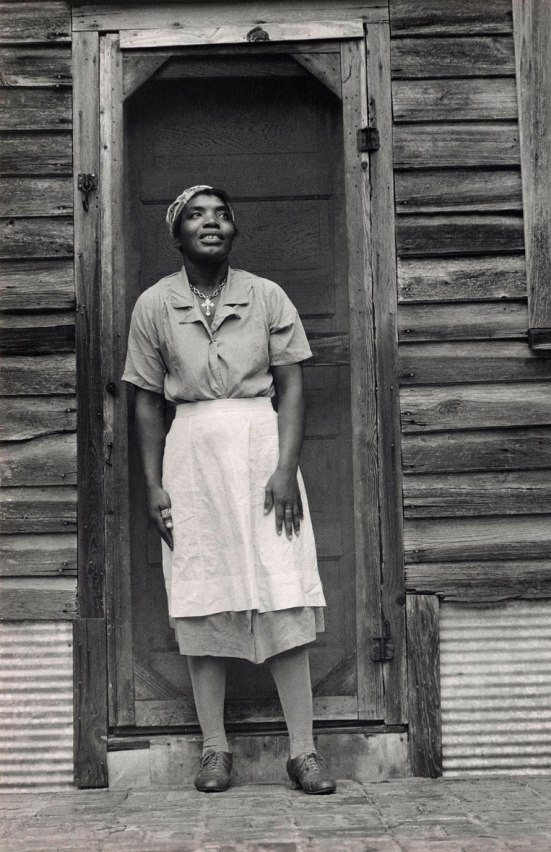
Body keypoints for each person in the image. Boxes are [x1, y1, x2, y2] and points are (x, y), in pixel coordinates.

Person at [122, 185, 336, 795]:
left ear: (234, 230)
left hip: (260, 448)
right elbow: (142, 402)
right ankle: (215, 749)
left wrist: (285, 468)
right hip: (190, 452)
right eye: (195, 216)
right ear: (178, 234)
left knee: (281, 585)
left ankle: (304, 752)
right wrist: (154, 486)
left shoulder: (266, 296)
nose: (209, 224)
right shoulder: (154, 306)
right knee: (202, 587)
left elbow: (292, 386)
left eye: (220, 215)